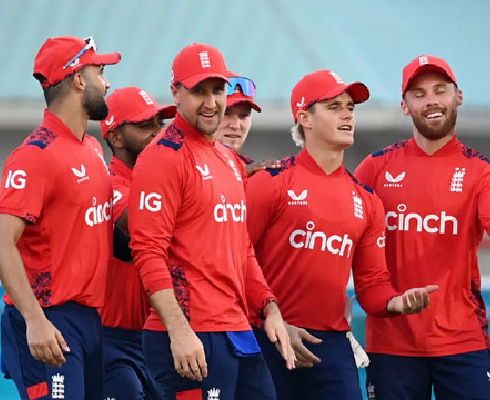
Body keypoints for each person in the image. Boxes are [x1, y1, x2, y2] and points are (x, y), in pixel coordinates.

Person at [245, 69, 438, 400]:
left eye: (350, 107)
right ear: (304, 117)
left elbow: (372, 284)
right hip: (267, 335)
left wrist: (395, 301)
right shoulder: (271, 181)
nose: (347, 114)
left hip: (331, 344)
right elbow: (234, 256)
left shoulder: (367, 200)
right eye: (334, 107)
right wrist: (270, 319)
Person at [127, 43, 293, 400]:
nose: (210, 102)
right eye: (198, 91)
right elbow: (147, 251)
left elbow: (241, 247)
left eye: (217, 90)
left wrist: (269, 307)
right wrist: (178, 331)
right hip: (191, 332)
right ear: (176, 93)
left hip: (237, 329)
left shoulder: (228, 160)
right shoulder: (162, 157)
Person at [354, 55, 490, 400]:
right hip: (391, 344)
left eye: (440, 90)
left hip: (463, 340)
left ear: (458, 96)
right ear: (405, 106)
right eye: (419, 94)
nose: (431, 101)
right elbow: (341, 240)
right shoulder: (375, 168)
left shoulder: (482, 170)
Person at [0, 36, 119, 400]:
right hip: (49, 319)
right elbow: (3, 241)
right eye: (100, 72)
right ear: (79, 80)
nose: (107, 83)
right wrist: (35, 320)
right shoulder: (35, 155)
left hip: (90, 319)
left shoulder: (92, 148)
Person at [100, 86, 176, 399]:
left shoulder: (162, 183)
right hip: (110, 337)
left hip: (158, 335)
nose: (158, 133)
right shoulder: (107, 183)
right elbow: (141, 222)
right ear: (116, 138)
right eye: (145, 126)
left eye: (160, 124)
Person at [214, 74, 281, 178]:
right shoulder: (188, 160)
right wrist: (240, 176)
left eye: (244, 115)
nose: (236, 125)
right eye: (225, 114)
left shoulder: (253, 170)